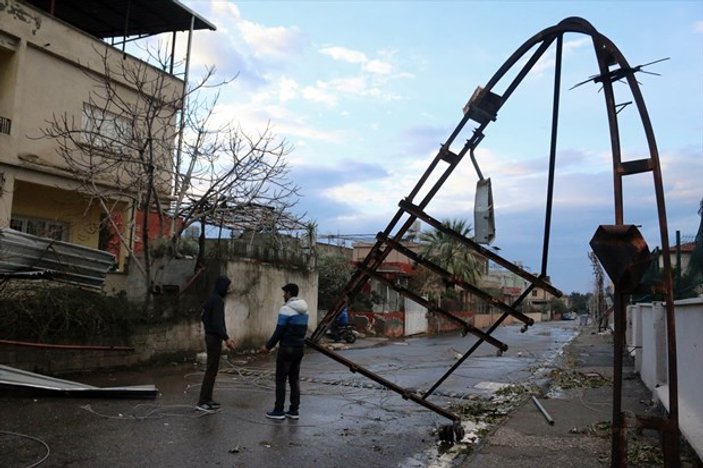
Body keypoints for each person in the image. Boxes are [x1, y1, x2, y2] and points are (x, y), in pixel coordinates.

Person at [260, 283, 309, 420]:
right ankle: (294, 410)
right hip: (299, 348)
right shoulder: (305, 310)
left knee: (281, 379)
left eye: (284, 293)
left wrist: (267, 346)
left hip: (287, 348)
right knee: (294, 380)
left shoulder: (286, 309)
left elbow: (279, 331)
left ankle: (278, 410)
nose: (283, 295)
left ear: (289, 293)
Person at [197, 275, 236, 412]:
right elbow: (217, 323)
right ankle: (203, 401)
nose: (228, 290)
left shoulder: (210, 299)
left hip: (211, 336)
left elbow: (204, 317)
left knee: (212, 370)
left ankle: (208, 398)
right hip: (214, 338)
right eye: (226, 287)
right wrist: (227, 338)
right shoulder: (217, 301)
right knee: (211, 370)